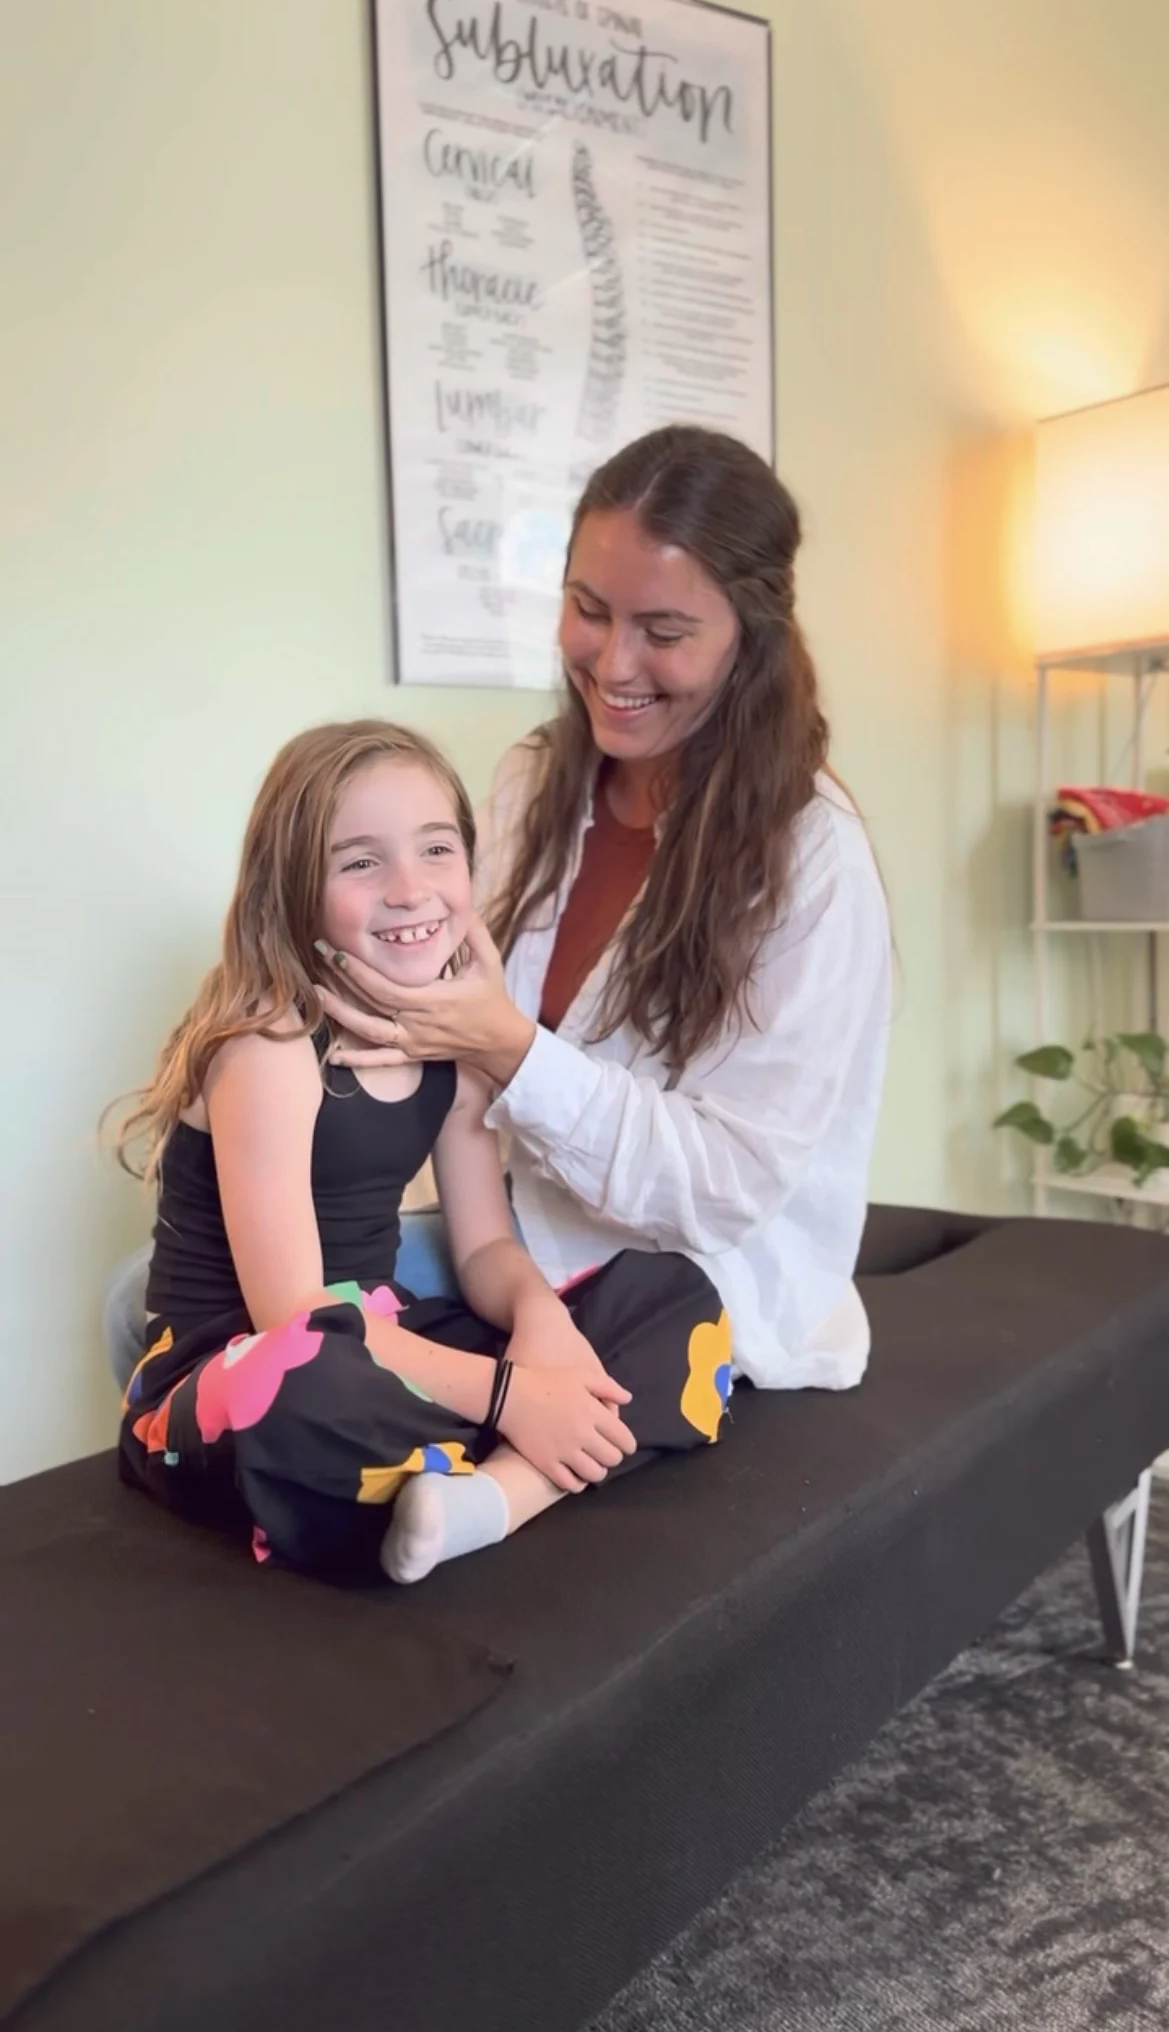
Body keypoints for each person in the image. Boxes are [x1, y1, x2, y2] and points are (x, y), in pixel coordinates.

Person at [107, 421, 890, 1412]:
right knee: (143, 1301)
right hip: (519, 1227)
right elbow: (420, 992)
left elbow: (723, 1185)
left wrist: (515, 1053)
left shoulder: (811, 863)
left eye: (663, 631)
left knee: (264, 1339)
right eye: (587, 609)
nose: (611, 662)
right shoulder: (534, 781)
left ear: (749, 637)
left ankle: (472, 1494)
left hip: (676, 1260)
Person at [110, 720, 730, 1585]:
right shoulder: (269, 1046)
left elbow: (483, 1247)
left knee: (678, 1300)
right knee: (304, 1384)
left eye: (437, 850)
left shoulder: (449, 1043)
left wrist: (540, 1328)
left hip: (382, 1337)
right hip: (246, 1372)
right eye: (360, 862)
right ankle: (500, 1451)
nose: (411, 889)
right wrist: (515, 1396)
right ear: (292, 889)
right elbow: (294, 1314)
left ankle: (490, 1498)